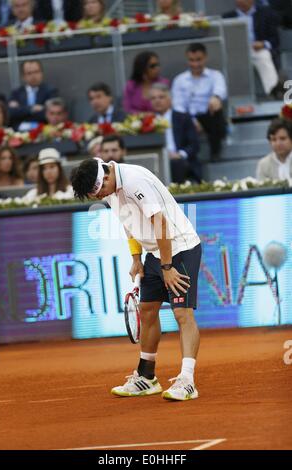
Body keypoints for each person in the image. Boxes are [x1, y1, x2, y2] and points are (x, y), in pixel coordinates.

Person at [71, 158, 202, 402]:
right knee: (147, 310)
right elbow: (128, 224)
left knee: (182, 314)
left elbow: (160, 223)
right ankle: (147, 376)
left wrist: (167, 266)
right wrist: (136, 258)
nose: (98, 197)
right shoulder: (110, 191)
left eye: (97, 191)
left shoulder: (134, 181)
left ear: (106, 178)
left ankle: (187, 380)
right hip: (155, 252)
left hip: (181, 247)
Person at [172, 43, 228, 161]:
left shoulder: (215, 75)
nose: (195, 64)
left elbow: (221, 91)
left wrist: (215, 98)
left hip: (209, 115)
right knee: (179, 118)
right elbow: (178, 105)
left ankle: (215, 153)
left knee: (216, 106)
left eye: (198, 60)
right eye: (191, 60)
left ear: (205, 58)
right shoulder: (179, 80)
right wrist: (192, 120)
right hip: (188, 119)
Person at [223, 0, 281, 98]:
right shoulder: (227, 17)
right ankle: (235, 98)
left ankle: (274, 92)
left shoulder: (266, 13)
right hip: (235, 52)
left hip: (257, 50)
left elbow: (275, 40)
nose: (240, 1)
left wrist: (263, 44)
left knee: (264, 56)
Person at [149, 83, 201, 184]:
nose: (157, 100)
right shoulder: (147, 121)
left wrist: (180, 154)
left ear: (170, 99)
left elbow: (194, 145)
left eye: (161, 97)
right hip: (156, 160)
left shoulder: (183, 118)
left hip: (179, 160)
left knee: (177, 164)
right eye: (153, 98)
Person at [9, 60, 58, 131]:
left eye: (36, 72)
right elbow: (11, 113)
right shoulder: (16, 93)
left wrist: (20, 109)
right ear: (23, 76)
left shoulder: (51, 91)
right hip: (19, 130)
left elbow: (50, 114)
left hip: (43, 129)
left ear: (42, 73)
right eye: (29, 73)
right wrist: (31, 109)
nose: (33, 76)